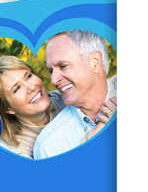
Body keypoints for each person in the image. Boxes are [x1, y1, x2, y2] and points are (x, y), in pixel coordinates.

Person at [33, 30, 117, 159]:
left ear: (94, 62)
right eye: (51, 71)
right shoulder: (49, 146)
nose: (53, 80)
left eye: (63, 66)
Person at [0, 56, 64, 158]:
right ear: (7, 109)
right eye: (17, 89)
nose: (31, 87)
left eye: (28, 76)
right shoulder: (16, 152)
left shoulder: (64, 100)